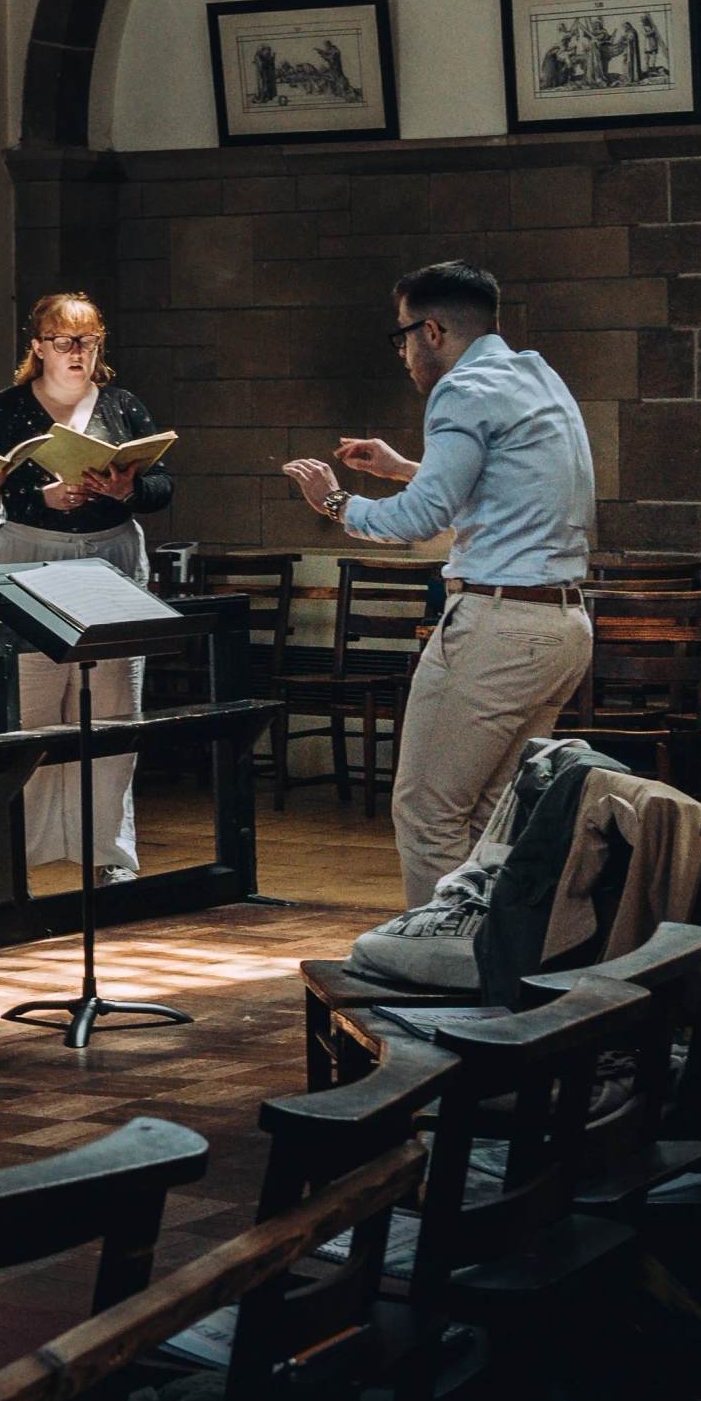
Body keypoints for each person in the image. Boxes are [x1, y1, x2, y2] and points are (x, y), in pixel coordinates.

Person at [282, 260, 597, 916]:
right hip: (561, 629)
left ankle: (439, 978)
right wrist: (404, 469)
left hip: (497, 628)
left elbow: (420, 522)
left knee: (427, 812)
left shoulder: (461, 389)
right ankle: (486, 970)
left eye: (401, 337)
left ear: (431, 330)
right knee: (487, 816)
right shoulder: (536, 375)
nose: (402, 353)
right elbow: (503, 496)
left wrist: (335, 503)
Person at [0, 291, 173, 886]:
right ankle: (14, 861)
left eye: (88, 341)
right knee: (28, 709)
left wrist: (127, 492)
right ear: (37, 347)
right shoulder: (10, 409)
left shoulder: (121, 406)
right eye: (63, 341)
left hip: (108, 555)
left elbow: (163, 486)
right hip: (28, 554)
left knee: (113, 708)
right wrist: (40, 495)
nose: (76, 353)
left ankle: (106, 855)